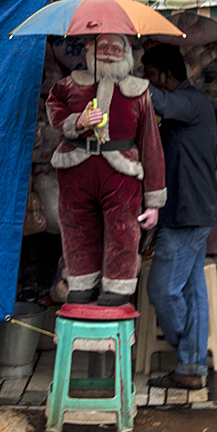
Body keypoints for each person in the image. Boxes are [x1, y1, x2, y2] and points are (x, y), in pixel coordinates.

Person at [46, 33, 166, 306]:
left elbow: (151, 146)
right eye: (103, 46)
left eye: (116, 47)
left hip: (121, 173)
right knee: (76, 227)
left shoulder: (139, 91)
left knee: (123, 230)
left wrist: (154, 202)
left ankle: (118, 285)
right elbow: (53, 109)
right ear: (90, 49)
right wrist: (78, 121)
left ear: (126, 53)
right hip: (76, 167)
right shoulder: (68, 85)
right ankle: (82, 282)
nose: (109, 52)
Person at [141, 43, 217, 390]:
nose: (147, 81)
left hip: (188, 213)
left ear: (167, 76)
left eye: (150, 75)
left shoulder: (192, 102)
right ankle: (191, 367)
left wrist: (124, 84)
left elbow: (160, 101)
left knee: (161, 289)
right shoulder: (185, 107)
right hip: (192, 209)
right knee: (192, 291)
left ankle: (190, 350)